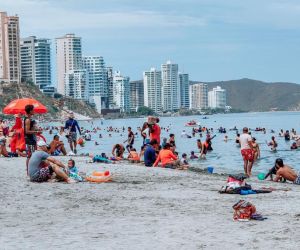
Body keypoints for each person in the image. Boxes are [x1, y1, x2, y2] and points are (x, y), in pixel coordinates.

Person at [24, 104, 40, 174]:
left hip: (31, 139)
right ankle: (28, 172)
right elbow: (27, 131)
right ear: (30, 111)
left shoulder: (30, 119)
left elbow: (31, 129)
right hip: (29, 140)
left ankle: (30, 171)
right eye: (33, 110)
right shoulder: (27, 120)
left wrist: (36, 129)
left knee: (31, 155)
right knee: (29, 156)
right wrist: (36, 131)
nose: (34, 111)